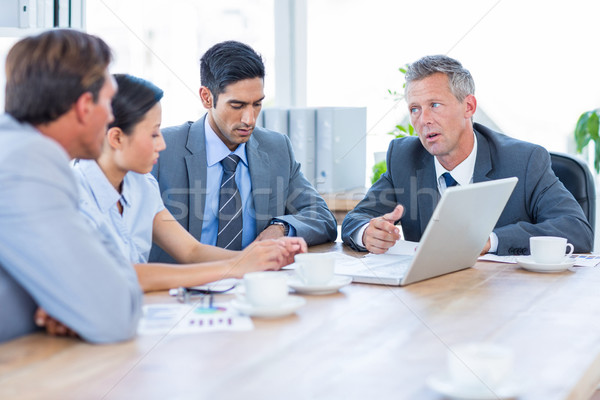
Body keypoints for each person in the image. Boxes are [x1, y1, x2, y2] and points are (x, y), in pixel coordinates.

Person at [72, 74, 307, 292]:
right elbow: (120, 275)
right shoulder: (72, 196)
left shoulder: (142, 185)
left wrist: (260, 255)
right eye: (154, 134)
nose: (162, 144)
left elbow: (191, 251)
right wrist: (236, 267)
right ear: (116, 137)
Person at [342, 55, 593, 256]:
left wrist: (489, 241)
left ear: (469, 107)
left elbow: (576, 230)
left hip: (507, 299)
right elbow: (356, 219)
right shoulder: (404, 157)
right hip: (430, 298)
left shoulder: (525, 161)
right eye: (415, 109)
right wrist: (366, 233)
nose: (424, 120)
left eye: (435, 105)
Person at [0, 30, 142, 343]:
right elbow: (117, 313)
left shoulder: (14, 150)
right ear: (84, 106)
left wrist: (66, 301)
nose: (112, 115)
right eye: (108, 101)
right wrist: (76, 301)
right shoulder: (29, 162)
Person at [149, 40, 337, 263]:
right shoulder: (162, 148)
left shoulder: (276, 148)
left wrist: (280, 228)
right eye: (237, 106)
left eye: (257, 104)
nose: (249, 119)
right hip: (182, 288)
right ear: (206, 97)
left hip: (253, 285)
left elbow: (322, 217)